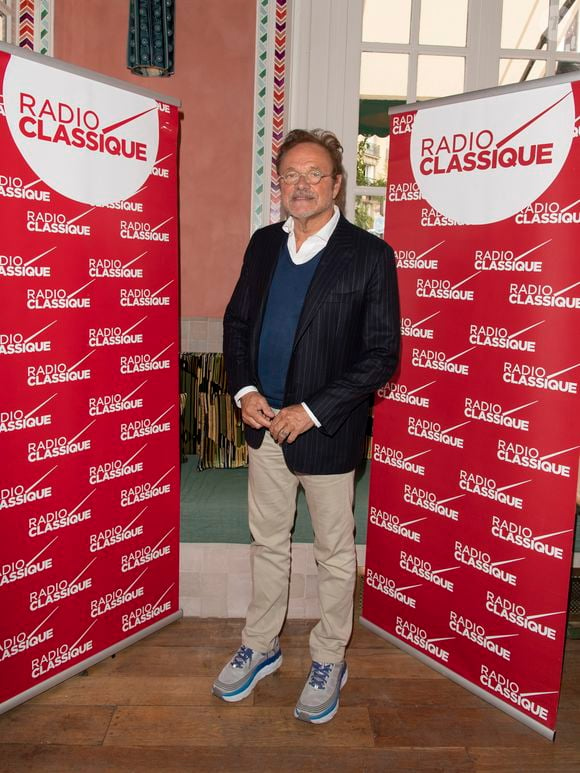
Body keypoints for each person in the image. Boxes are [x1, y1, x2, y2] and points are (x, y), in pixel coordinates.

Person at [212, 129, 400, 723]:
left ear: (336, 183)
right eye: (291, 174)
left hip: (325, 433)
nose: (301, 184)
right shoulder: (263, 244)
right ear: (280, 183)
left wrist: (312, 409)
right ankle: (261, 645)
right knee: (267, 543)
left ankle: (328, 657)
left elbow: (380, 355)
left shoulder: (370, 255)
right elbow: (237, 323)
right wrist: (244, 391)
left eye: (314, 174)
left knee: (334, 554)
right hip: (262, 424)